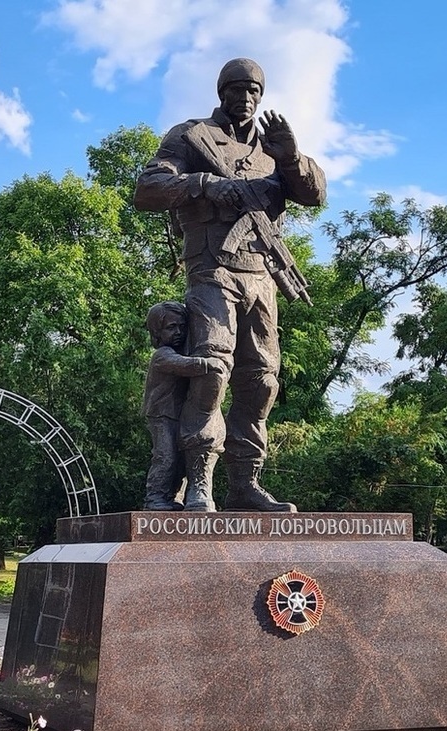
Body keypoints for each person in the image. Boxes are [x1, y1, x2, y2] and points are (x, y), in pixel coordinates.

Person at [134, 57, 327, 513]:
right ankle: (200, 483)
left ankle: (246, 482)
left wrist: (292, 158)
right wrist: (203, 185)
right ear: (221, 92)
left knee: (261, 380)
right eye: (237, 88)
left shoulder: (272, 147)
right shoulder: (191, 135)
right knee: (211, 371)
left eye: (254, 90)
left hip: (262, 275)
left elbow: (314, 194)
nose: (246, 97)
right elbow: (147, 189)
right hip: (211, 268)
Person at [142, 301, 226, 510]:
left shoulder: (180, 350)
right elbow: (182, 365)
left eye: (182, 327)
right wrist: (207, 363)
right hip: (162, 414)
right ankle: (154, 498)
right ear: (157, 332)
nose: (178, 332)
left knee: (179, 458)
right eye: (171, 327)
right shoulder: (162, 355)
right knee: (165, 456)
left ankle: (174, 496)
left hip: (177, 413)